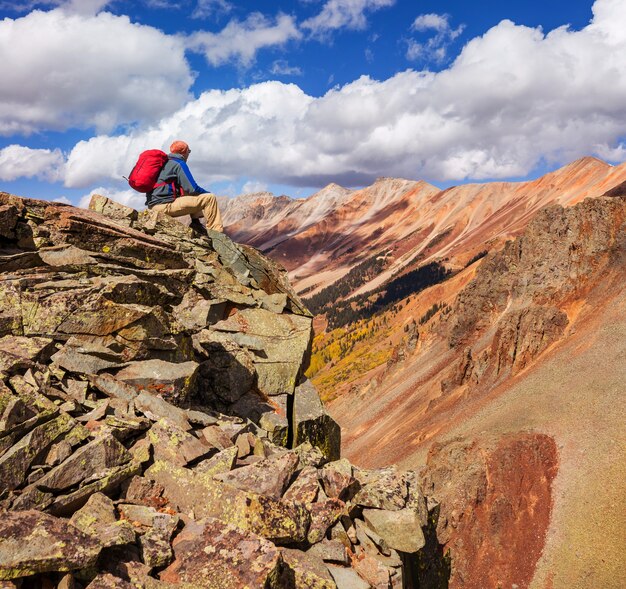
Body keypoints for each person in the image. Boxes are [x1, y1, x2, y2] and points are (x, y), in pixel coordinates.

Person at [146, 140, 223, 233]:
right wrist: (206, 193)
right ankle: (217, 234)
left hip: (153, 206)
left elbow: (187, 189)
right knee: (210, 198)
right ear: (184, 152)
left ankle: (196, 223)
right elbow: (192, 188)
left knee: (185, 190)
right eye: (189, 151)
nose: (189, 154)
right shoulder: (179, 164)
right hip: (165, 206)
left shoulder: (163, 162)